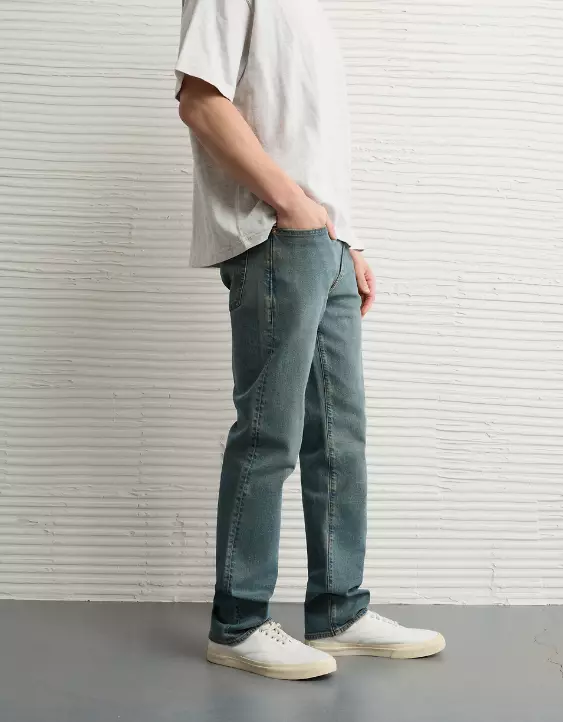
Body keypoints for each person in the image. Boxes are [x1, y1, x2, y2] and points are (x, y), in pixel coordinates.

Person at [175, 0, 445, 680]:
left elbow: (308, 139)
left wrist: (346, 239)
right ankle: (238, 625)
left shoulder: (311, 13)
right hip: (274, 233)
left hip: (324, 243)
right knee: (269, 431)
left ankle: (339, 612)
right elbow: (201, 102)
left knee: (340, 436)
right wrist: (291, 205)